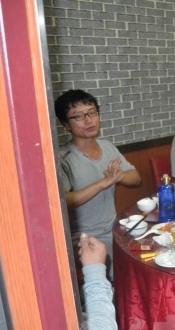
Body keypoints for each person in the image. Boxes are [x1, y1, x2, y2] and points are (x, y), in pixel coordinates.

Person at [55, 89, 141, 277]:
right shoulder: (63, 158)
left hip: (115, 228)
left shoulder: (107, 147)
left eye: (92, 113)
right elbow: (65, 200)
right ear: (65, 124)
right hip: (84, 239)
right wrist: (104, 182)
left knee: (150, 252)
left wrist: (119, 177)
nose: (88, 120)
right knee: (128, 272)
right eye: (78, 116)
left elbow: (136, 178)